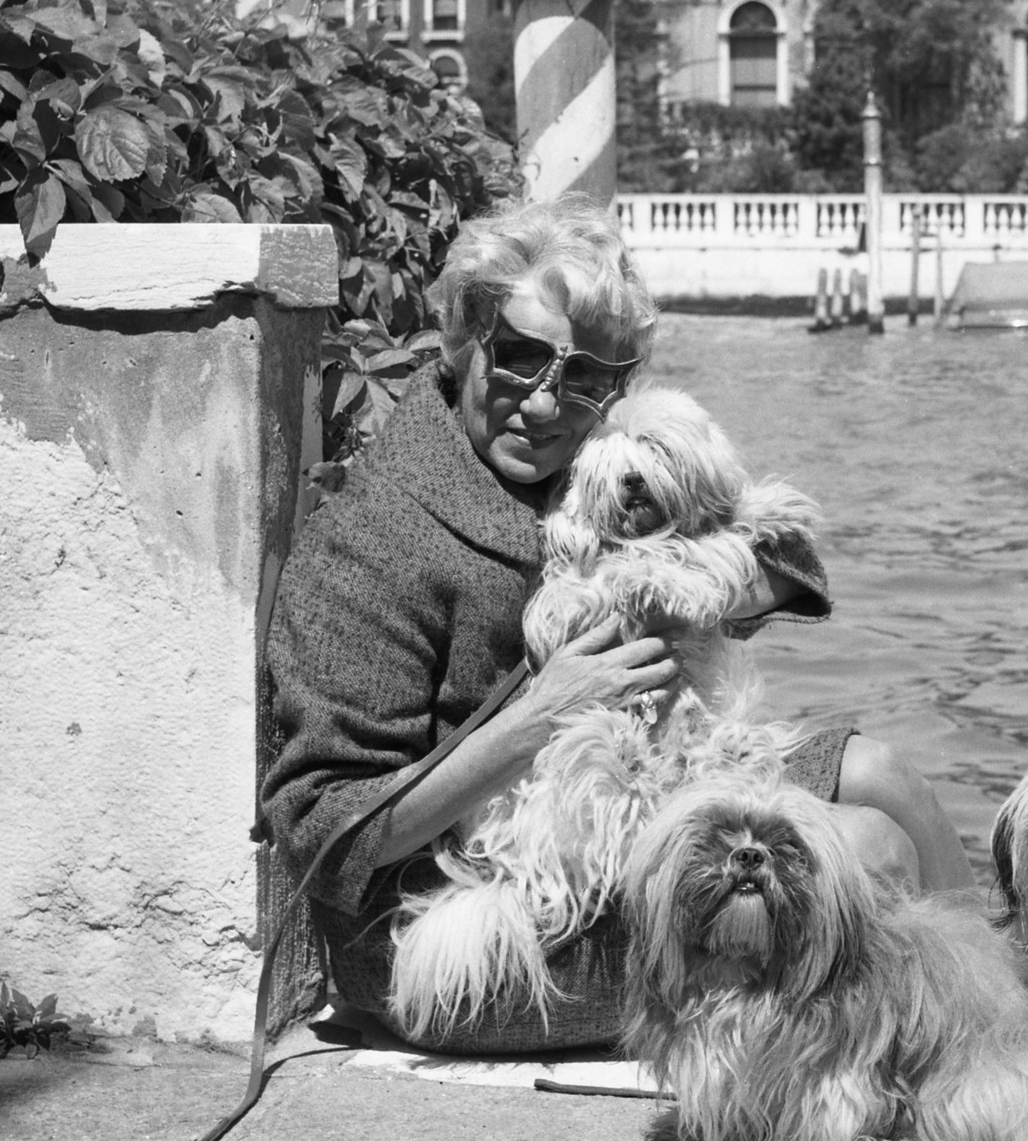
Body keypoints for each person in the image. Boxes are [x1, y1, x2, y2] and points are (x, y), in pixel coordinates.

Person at [259, 193, 973, 1052]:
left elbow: (792, 564)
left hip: (649, 791)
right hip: (477, 927)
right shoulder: (373, 538)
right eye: (520, 357)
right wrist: (536, 716)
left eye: (588, 378)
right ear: (464, 344)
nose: (546, 402)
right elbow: (325, 835)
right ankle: (957, 1057)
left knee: (885, 771)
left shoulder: (593, 471)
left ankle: (1016, 1012)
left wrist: (699, 582)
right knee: (868, 854)